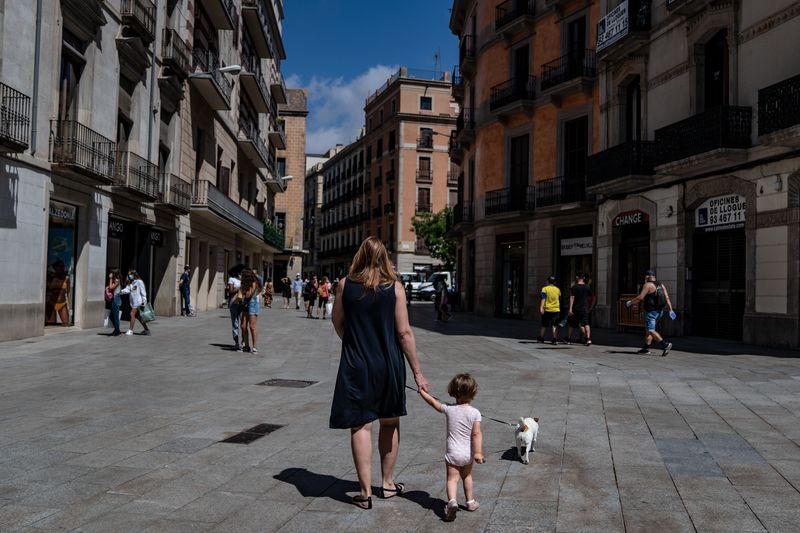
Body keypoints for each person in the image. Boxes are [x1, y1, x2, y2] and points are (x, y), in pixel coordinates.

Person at [330, 236, 429, 510]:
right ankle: (387, 484)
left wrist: (353, 344)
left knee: (361, 424)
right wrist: (418, 372)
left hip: (356, 364)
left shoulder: (344, 285)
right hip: (389, 363)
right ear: (384, 256)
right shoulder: (395, 287)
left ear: (360, 255)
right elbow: (404, 332)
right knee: (389, 422)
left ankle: (364, 492)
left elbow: (337, 322)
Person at [418, 374, 485, 521]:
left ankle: (452, 502)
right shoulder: (475, 413)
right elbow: (476, 434)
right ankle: (470, 502)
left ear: (453, 391)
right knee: (467, 476)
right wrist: (478, 452)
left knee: (452, 480)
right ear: (474, 392)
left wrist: (422, 392)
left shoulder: (449, 409)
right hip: (468, 454)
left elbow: (433, 403)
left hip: (453, 453)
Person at [626, 270, 673, 356]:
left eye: (646, 277)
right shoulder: (661, 285)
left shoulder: (648, 285)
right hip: (660, 311)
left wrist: (630, 302)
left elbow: (640, 297)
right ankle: (646, 348)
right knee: (649, 330)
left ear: (647, 277)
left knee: (651, 330)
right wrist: (670, 310)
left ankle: (665, 345)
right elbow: (667, 298)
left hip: (651, 312)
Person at [120, 270, 150, 336]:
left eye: (130, 274)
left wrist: (144, 302)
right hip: (133, 303)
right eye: (128, 275)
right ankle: (147, 330)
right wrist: (120, 292)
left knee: (132, 314)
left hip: (138, 302)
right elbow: (127, 290)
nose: (129, 276)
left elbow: (143, 292)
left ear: (134, 275)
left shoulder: (139, 282)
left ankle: (130, 330)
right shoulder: (131, 283)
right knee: (139, 317)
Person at [567, 272, 592, 346]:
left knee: (572, 324)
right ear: (583, 278)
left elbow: (572, 297)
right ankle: (588, 339)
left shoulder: (574, 287)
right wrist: (588, 306)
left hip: (576, 308)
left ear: (577, 277)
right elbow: (590, 297)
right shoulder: (587, 287)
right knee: (586, 323)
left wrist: (570, 308)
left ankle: (568, 339)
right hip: (584, 308)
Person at [240, 268, 261, 353]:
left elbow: (248, 295)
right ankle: (246, 346)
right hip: (246, 304)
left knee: (252, 326)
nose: (240, 277)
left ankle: (255, 346)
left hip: (253, 304)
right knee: (243, 326)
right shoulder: (244, 284)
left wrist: (242, 290)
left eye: (242, 275)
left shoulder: (253, 283)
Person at [538, 276, 561, 344]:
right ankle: (554, 339)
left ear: (547, 281)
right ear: (555, 282)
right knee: (554, 325)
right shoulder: (558, 289)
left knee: (544, 325)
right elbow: (559, 299)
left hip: (547, 309)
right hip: (556, 309)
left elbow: (543, 298)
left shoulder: (544, 289)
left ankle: (541, 338)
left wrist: (541, 307)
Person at [227, 272, 243, 351]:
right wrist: (239, 289)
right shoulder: (232, 279)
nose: (241, 274)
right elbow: (230, 291)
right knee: (235, 321)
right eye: (240, 273)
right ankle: (236, 342)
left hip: (242, 302)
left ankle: (244, 341)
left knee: (243, 322)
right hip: (234, 302)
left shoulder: (244, 279)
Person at [107, 269, 122, 336]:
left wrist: (110, 279)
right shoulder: (116, 280)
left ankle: (117, 330)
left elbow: (110, 288)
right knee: (111, 316)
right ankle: (117, 329)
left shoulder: (117, 281)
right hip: (115, 299)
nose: (111, 274)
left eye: (112, 273)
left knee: (115, 316)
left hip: (116, 299)